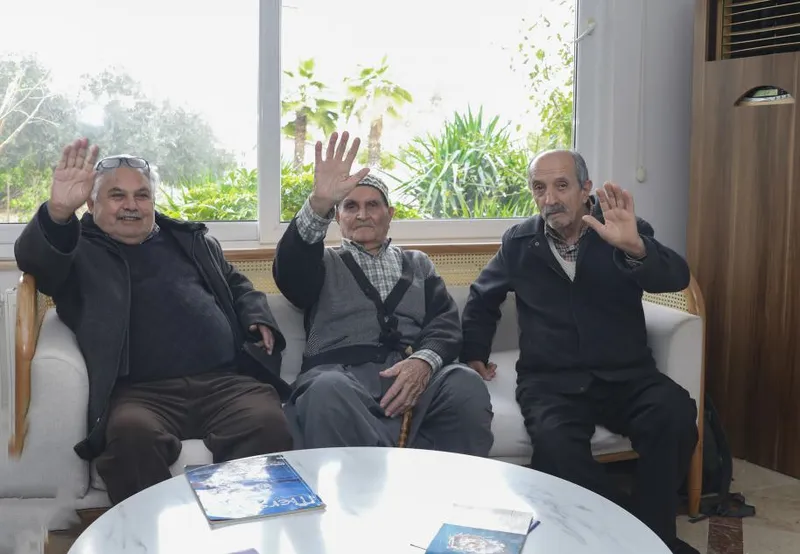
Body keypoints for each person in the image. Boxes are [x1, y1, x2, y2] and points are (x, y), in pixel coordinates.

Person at [14, 138, 293, 504]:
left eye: (142, 195)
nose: (131, 205)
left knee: (268, 424)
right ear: (92, 204)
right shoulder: (78, 250)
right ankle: (152, 532)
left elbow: (236, 284)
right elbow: (36, 264)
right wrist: (57, 213)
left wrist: (256, 316)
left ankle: (239, 528)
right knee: (131, 439)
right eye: (117, 195)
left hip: (223, 383)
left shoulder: (189, 240)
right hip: (140, 393)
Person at [460, 149, 699, 554]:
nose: (550, 198)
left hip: (627, 376)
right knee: (555, 451)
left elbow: (675, 278)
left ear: (585, 188)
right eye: (539, 188)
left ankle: (651, 538)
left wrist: (637, 247)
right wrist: (474, 352)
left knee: (675, 415)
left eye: (561, 185)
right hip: (551, 383)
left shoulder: (621, 230)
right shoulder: (519, 242)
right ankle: (637, 536)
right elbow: (483, 298)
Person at [273, 131, 493, 455]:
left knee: (464, 384)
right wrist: (319, 203)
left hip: (412, 375)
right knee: (325, 391)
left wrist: (423, 362)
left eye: (372, 205)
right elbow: (290, 276)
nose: (362, 214)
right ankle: (368, 482)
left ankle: (444, 485)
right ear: (338, 217)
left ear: (390, 215)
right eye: (350, 206)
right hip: (340, 379)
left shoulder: (418, 263)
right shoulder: (319, 262)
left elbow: (445, 325)